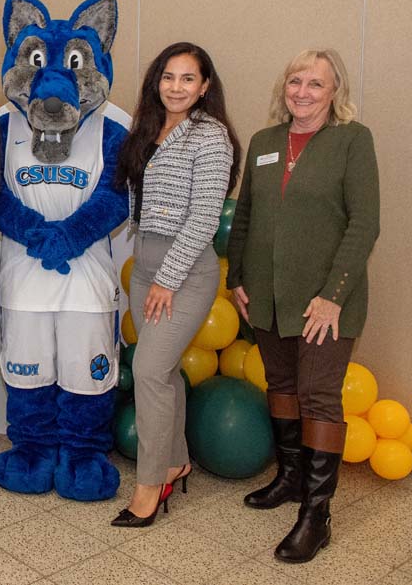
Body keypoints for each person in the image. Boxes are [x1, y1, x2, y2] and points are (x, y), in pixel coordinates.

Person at [227, 48, 379, 563]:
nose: (303, 92)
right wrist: (237, 278)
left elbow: (365, 224)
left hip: (325, 302)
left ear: (335, 91)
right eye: (295, 81)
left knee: (318, 396)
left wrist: (333, 297)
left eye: (316, 83)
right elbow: (245, 216)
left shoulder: (352, 140)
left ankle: (317, 514)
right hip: (267, 295)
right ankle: (291, 477)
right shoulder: (265, 142)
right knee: (282, 385)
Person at [110, 42, 240, 527]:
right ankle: (177, 460)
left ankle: (149, 486)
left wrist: (167, 279)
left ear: (205, 87)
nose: (176, 87)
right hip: (145, 263)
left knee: (147, 370)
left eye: (188, 78)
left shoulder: (211, 136)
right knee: (162, 373)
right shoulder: (147, 127)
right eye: (168, 76)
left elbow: (204, 217)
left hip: (183, 271)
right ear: (156, 81)